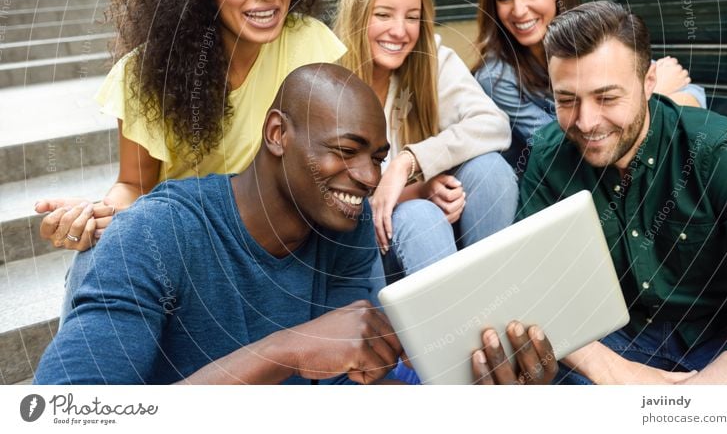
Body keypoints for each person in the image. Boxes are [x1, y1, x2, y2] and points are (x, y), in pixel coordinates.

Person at [34, 64, 556, 385]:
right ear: (278, 134)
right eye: (346, 151)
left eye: (377, 157)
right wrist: (283, 350)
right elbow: (66, 414)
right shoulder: (153, 235)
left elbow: (353, 390)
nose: (368, 177)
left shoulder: (344, 230)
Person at [33, 0, 345, 312]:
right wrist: (98, 216)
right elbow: (133, 184)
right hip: (188, 245)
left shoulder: (310, 44)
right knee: (98, 261)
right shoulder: (145, 74)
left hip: (283, 242)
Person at [518, 1, 727, 384]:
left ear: (649, 81)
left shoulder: (722, 151)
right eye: (567, 100)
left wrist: (686, 406)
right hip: (615, 341)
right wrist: (621, 376)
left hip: (725, 339)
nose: (585, 122)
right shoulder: (547, 156)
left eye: (607, 98)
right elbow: (532, 286)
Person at [335, 0, 517, 281]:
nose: (400, 31)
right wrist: (419, 190)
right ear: (357, 15)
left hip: (430, 247)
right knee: (421, 216)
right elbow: (334, 206)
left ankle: (490, 301)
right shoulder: (329, 82)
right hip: (361, 249)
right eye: (383, 15)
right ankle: (457, 326)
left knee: (491, 172)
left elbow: (494, 125)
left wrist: (410, 162)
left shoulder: (430, 61)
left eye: (412, 17)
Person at [473, 0, 706, 170]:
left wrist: (649, 103)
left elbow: (693, 93)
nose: (519, 10)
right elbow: (566, 147)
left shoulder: (591, 32)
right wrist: (657, 97)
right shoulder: (496, 77)